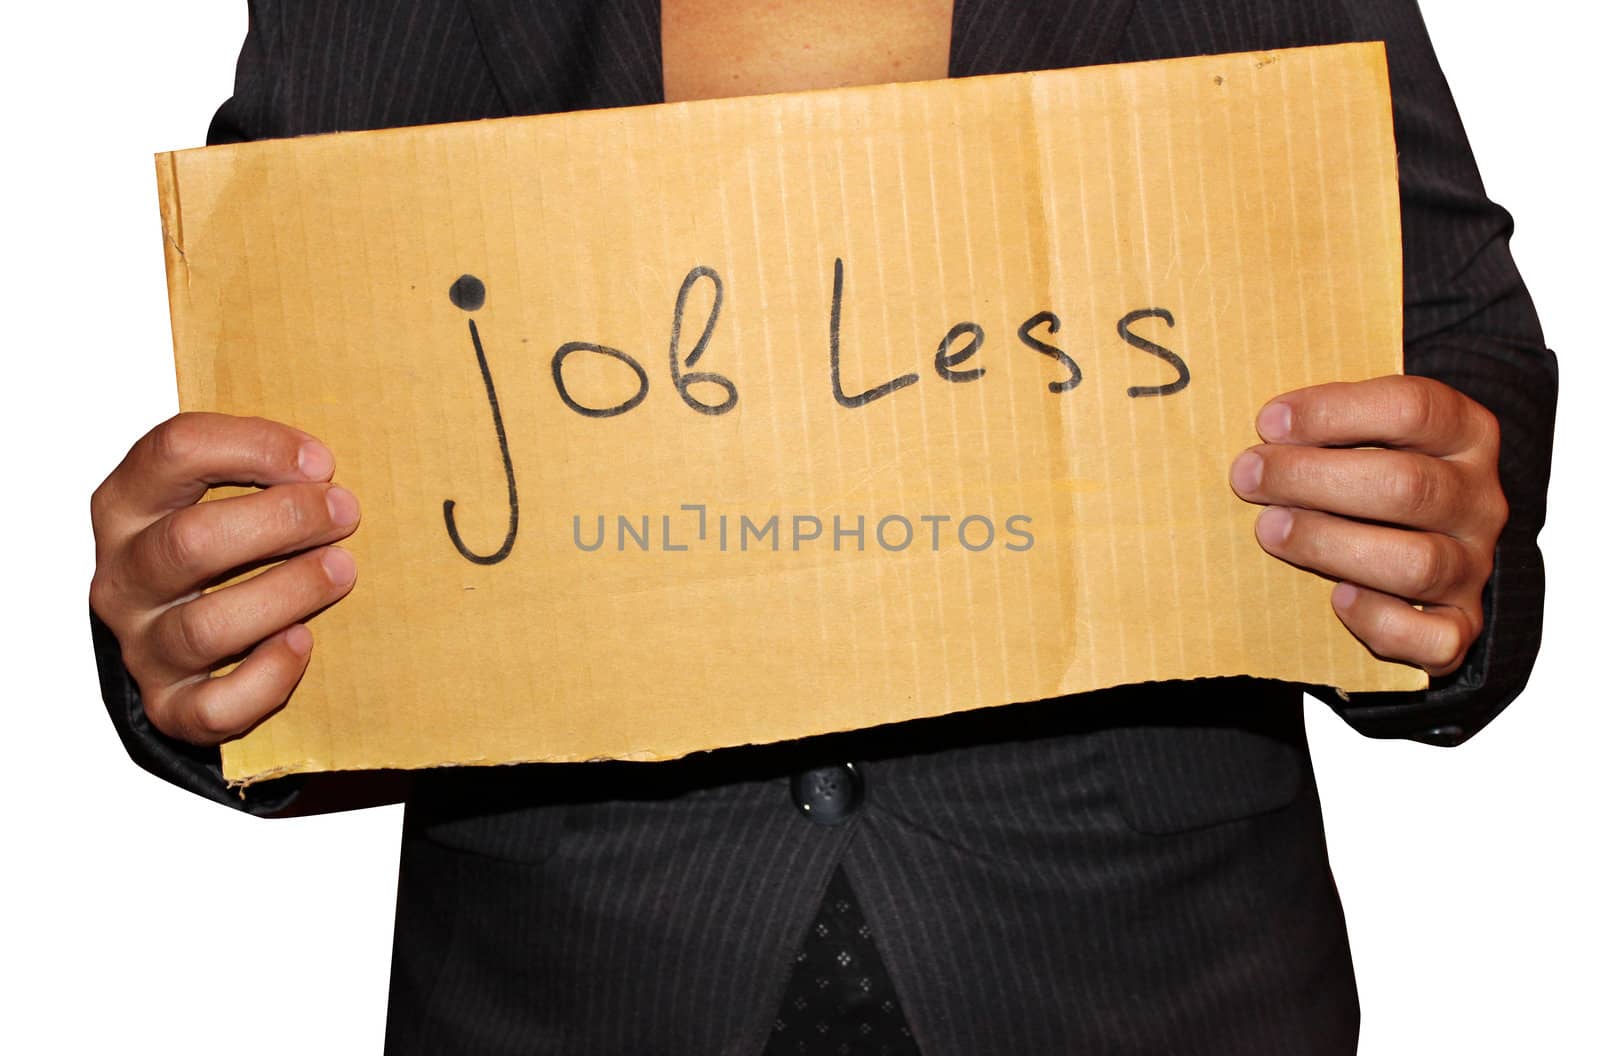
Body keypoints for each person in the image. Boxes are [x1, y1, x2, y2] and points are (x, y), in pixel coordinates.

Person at [87, 2, 1556, 1053]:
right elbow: (275, 434)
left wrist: (1444, 533)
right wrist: (192, 641)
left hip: (1153, 979)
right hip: (574, 992)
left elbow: (1459, 334)